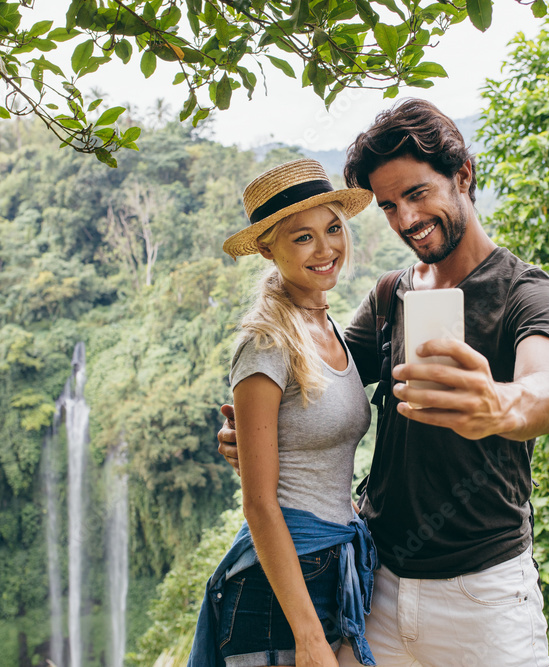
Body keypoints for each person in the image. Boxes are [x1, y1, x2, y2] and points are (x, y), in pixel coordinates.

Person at [218, 99, 549, 666]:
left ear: (463, 176)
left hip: (483, 598)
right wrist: (258, 435)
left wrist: (499, 404)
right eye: (388, 206)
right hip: (376, 587)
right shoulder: (390, 295)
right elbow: (319, 386)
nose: (406, 219)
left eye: (417, 194)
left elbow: (546, 393)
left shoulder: (527, 294)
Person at [188, 159, 379, 667]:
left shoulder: (328, 327)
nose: (326, 249)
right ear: (268, 249)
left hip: (329, 566)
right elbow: (259, 504)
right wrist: (308, 636)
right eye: (303, 237)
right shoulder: (267, 342)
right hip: (281, 590)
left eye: (333, 228)